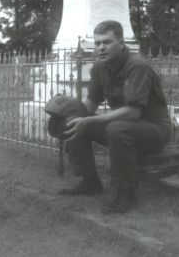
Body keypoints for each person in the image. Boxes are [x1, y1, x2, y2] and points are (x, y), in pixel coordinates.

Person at [60, 20, 172, 213]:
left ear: (121, 43)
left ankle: (126, 194)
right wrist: (71, 116)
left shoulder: (137, 66)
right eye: (97, 43)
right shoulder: (99, 68)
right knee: (77, 121)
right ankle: (90, 182)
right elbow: (91, 103)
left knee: (116, 128)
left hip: (154, 130)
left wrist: (89, 120)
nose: (101, 48)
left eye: (107, 42)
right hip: (125, 126)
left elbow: (133, 112)